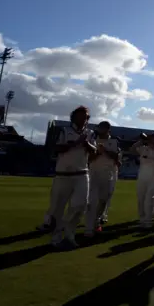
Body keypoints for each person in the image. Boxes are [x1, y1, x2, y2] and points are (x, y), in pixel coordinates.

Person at [50, 106, 96, 248]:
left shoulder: (90, 133)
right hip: (63, 174)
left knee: (80, 205)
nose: (84, 119)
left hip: (82, 173)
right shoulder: (64, 131)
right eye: (81, 116)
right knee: (58, 207)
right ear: (74, 117)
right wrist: (76, 143)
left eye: (86, 117)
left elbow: (94, 152)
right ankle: (56, 238)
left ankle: (69, 235)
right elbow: (56, 148)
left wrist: (85, 143)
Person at [85, 121, 120, 237]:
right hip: (93, 173)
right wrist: (98, 152)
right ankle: (89, 228)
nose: (102, 130)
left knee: (104, 200)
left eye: (105, 128)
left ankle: (97, 220)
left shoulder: (114, 141)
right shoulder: (93, 141)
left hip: (108, 174)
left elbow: (116, 157)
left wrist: (105, 150)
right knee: (92, 201)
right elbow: (89, 159)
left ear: (108, 129)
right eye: (100, 128)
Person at [131, 133, 154, 229]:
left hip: (153, 178)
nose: (153, 141)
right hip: (142, 178)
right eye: (151, 139)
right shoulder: (143, 149)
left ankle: (148, 221)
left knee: (149, 200)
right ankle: (142, 220)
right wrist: (141, 141)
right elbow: (132, 150)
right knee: (141, 199)